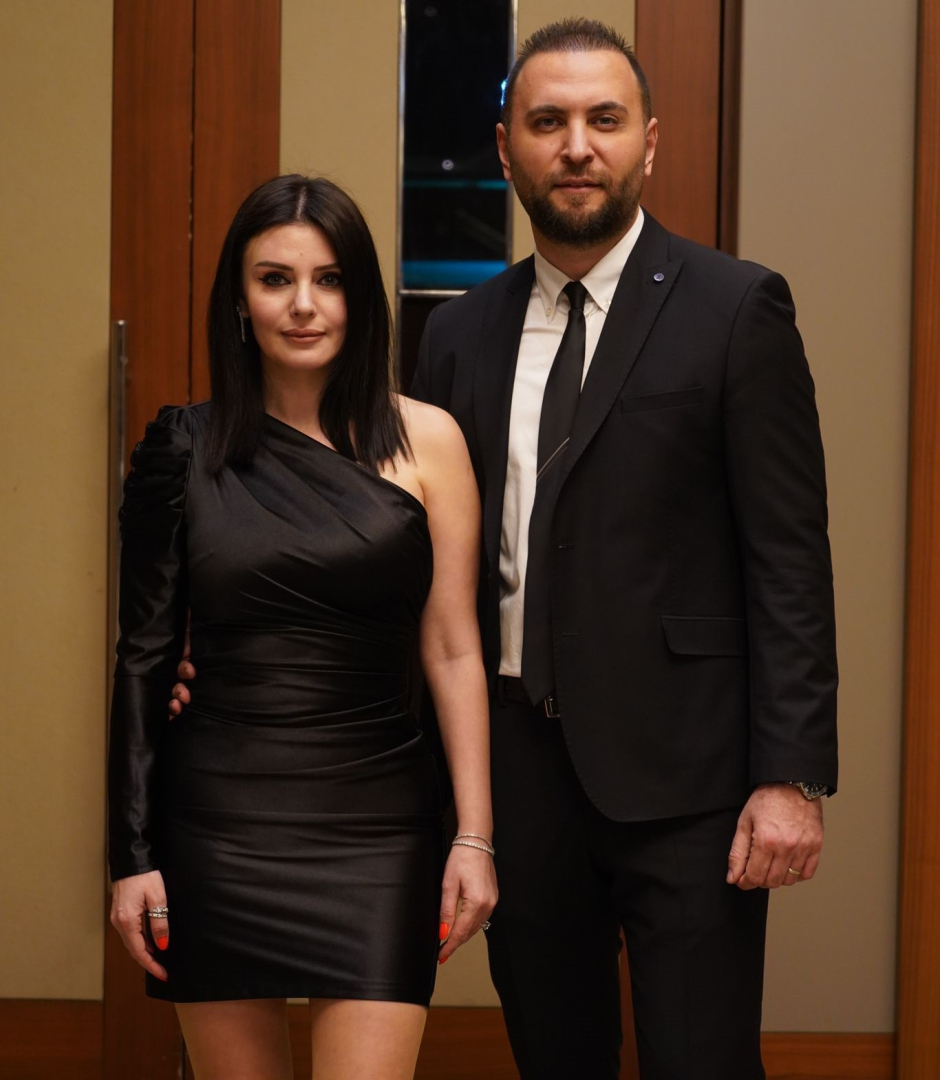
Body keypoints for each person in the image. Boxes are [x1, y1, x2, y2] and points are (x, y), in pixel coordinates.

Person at [407, 18, 838, 1080]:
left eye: (604, 119)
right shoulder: (456, 335)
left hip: (690, 783)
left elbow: (788, 558)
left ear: (650, 140)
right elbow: (421, 565)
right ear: (504, 146)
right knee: (555, 1060)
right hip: (515, 777)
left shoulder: (736, 309)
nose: (576, 146)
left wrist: (790, 777)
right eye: (546, 122)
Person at [108, 174, 497, 1080]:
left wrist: (474, 837)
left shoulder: (430, 441)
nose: (304, 305)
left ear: (360, 296)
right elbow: (142, 660)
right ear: (239, 302)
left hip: (380, 828)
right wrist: (129, 857)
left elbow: (453, 650)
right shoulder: (181, 449)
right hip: (216, 826)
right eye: (275, 279)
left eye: (329, 279)